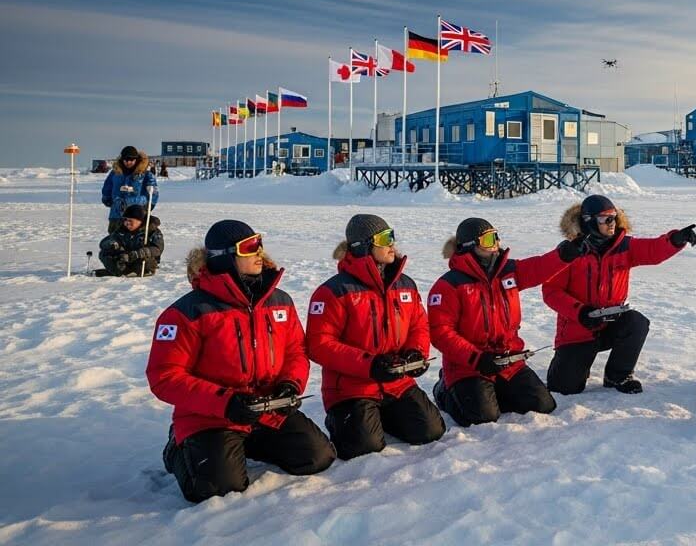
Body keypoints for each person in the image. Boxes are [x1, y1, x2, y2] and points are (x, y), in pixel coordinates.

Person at [147, 220, 334, 503]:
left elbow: (295, 349)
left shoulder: (279, 301)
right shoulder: (186, 313)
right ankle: (178, 448)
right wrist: (226, 402)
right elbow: (165, 376)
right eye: (249, 247)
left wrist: (289, 384)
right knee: (218, 488)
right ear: (223, 256)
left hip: (267, 409)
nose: (260, 252)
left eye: (259, 243)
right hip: (211, 417)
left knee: (317, 457)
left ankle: (244, 446)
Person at [305, 214, 445, 459]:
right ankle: (343, 420)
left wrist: (415, 353)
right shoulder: (333, 291)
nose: (392, 244)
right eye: (384, 238)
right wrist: (369, 364)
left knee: (430, 430)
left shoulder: (405, 284)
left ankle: (382, 415)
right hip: (352, 388)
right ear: (364, 247)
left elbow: (419, 325)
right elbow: (319, 344)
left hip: (397, 382)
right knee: (364, 447)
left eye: (392, 236)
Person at [428, 217, 584, 425]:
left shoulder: (508, 271)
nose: (496, 244)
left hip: (508, 359)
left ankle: (491, 391)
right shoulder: (449, 285)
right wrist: (476, 358)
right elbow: (441, 333)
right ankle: (445, 390)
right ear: (470, 246)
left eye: (496, 236)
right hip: (469, 365)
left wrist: (563, 255)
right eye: (489, 239)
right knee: (482, 417)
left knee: (542, 405)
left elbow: (538, 267)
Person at [543, 195, 696, 395]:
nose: (611, 223)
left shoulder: (623, 246)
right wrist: (580, 313)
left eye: (613, 217)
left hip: (610, 323)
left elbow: (652, 250)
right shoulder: (571, 251)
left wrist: (675, 239)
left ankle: (617, 375)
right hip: (578, 327)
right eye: (604, 219)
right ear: (588, 221)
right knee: (565, 387)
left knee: (636, 322)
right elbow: (551, 291)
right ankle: (575, 364)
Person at [101, 145, 158, 234]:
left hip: (137, 216)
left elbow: (152, 194)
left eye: (131, 160)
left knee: (135, 241)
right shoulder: (115, 173)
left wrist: (148, 205)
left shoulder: (145, 175)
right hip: (116, 215)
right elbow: (107, 187)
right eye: (126, 160)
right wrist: (106, 198)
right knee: (114, 241)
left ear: (136, 159)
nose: (128, 162)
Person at [96, 204, 164, 276]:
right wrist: (114, 245)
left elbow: (157, 249)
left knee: (146, 261)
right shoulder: (122, 230)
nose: (127, 223)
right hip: (125, 260)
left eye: (131, 221)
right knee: (104, 253)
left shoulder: (151, 230)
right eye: (125, 220)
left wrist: (137, 254)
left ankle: (142, 272)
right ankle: (119, 272)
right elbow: (103, 243)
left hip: (141, 262)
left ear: (140, 221)